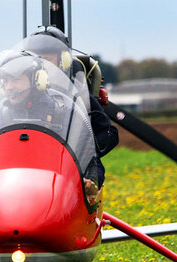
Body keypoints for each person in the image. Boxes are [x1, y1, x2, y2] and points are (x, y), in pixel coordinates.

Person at [25, 26, 119, 204]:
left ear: (63, 60)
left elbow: (108, 134)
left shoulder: (78, 94)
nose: (41, 63)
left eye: (47, 58)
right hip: (31, 163)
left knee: (93, 170)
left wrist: (83, 150)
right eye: (36, 58)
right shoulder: (21, 93)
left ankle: (87, 191)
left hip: (71, 166)